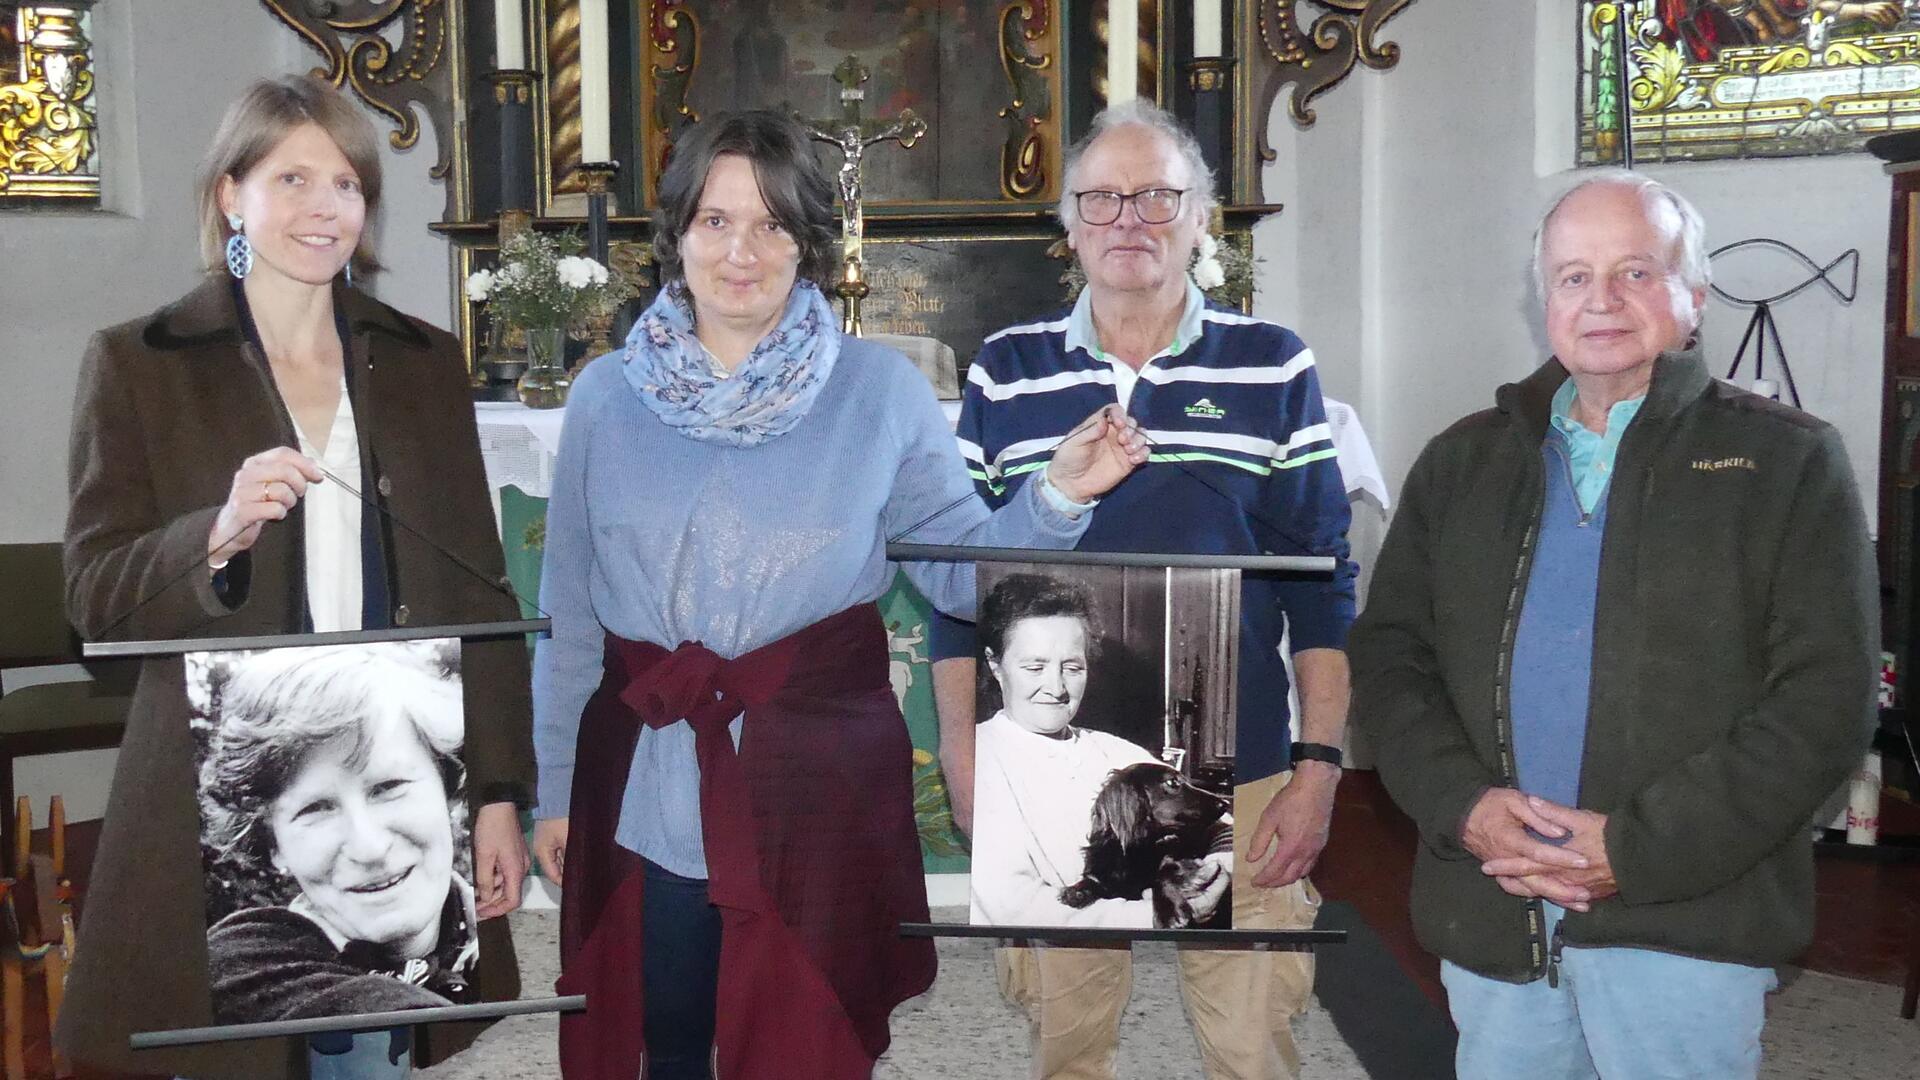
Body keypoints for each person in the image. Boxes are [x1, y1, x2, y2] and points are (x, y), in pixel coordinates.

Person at [527, 109, 1146, 1080]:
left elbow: (960, 569)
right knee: (670, 1033)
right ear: (676, 234)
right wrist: (553, 792)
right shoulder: (605, 395)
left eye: (773, 225)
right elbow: (569, 617)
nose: (743, 251)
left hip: (814, 782)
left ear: (808, 246)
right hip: (648, 777)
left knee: (807, 1042)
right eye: (717, 221)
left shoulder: (877, 391)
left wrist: (1058, 494)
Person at [1348, 171, 1877, 1079]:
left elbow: (1825, 701)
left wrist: (1634, 850)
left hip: (1688, 915)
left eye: (1637, 272)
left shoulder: (1786, 461)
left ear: (1695, 296)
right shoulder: (1463, 461)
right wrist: (1464, 808)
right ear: (1543, 298)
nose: (1602, 301)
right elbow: (1393, 660)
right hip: (1494, 903)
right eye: (1573, 276)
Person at [58, 76, 533, 1080]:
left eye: (349, 184)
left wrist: (496, 789)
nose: (328, 208)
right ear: (232, 195)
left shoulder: (422, 361)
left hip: (403, 775)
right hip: (223, 786)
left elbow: (481, 589)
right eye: (294, 179)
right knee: (241, 1049)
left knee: (382, 1042)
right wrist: (215, 535)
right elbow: (93, 594)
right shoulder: (139, 364)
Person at [928, 100, 1354, 1080]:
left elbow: (1323, 583)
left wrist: (1320, 767)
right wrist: (964, 760)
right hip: (1051, 771)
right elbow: (960, 590)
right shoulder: (1007, 372)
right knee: (1067, 1042)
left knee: (1252, 1045)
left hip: (1237, 766)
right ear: (1068, 226)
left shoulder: (1272, 364)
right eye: (1102, 198)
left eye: (1158, 195)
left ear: (1204, 217)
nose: (1129, 218)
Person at [199, 644, 478, 1023]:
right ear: (273, 843)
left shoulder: (515, 927)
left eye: (389, 787)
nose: (369, 847)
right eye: (316, 809)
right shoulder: (237, 968)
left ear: (447, 787)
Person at [967, 573, 1230, 929]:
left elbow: (1219, 824)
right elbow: (1012, 906)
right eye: (1034, 667)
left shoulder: (1115, 752)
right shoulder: (979, 755)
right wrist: (1154, 916)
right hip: (1043, 951)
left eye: (1072, 668)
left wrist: (1220, 872)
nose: (1056, 687)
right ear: (995, 665)